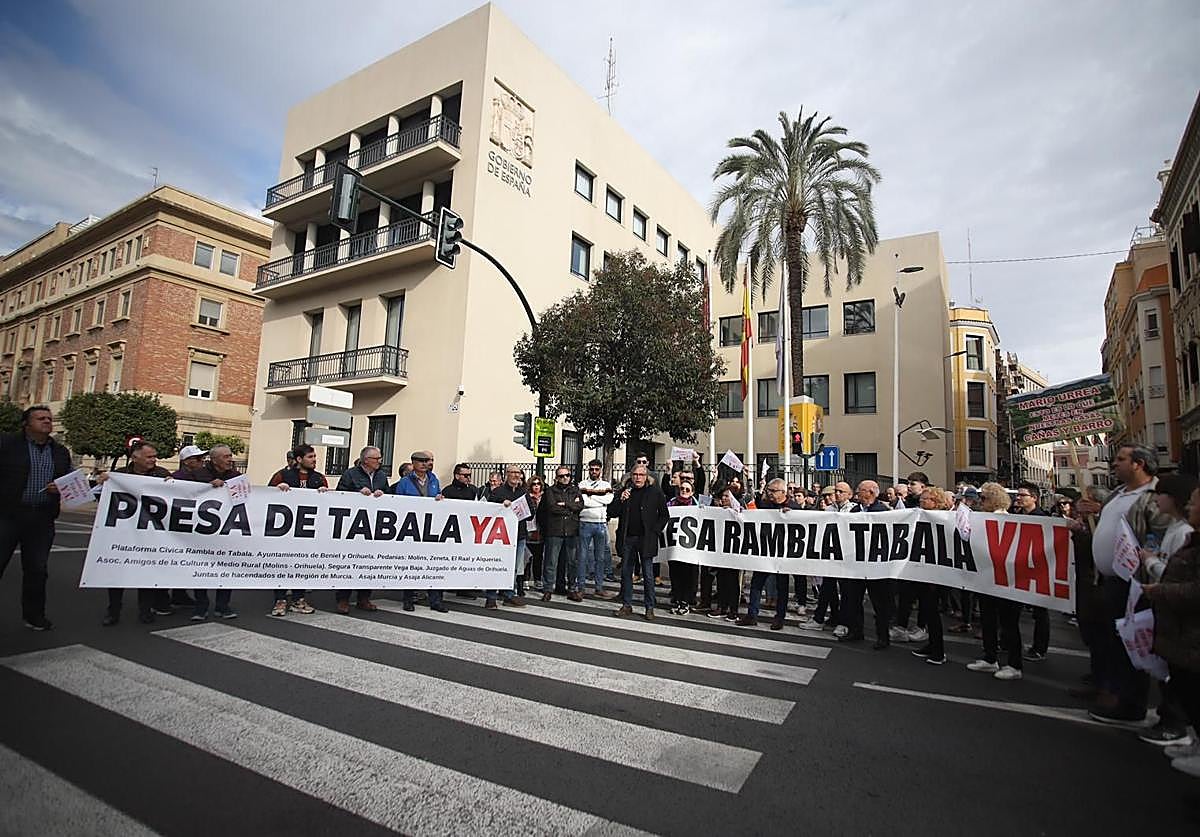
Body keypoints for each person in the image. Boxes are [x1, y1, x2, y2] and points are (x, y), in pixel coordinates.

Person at [1075, 444, 1170, 724]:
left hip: (1135, 581)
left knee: (1129, 641)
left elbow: (1160, 535)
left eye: (1120, 459)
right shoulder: (1118, 493)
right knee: (1108, 639)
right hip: (1109, 578)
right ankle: (1109, 689)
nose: (1113, 464)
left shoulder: (1155, 495)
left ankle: (1130, 703)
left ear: (1139, 464)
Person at [1141, 484, 1200, 776]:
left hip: (1187, 630)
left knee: (1187, 687)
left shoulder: (1182, 534)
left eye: (1194, 502)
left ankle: (1178, 728)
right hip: (1178, 629)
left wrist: (1151, 566)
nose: (1191, 507)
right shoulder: (1182, 533)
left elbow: (1180, 580)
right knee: (1179, 682)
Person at [0, 406, 73, 631]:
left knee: (37, 569)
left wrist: (60, 487)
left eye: (49, 419)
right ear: (26, 423)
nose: (47, 422)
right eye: (41, 418)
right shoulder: (7, 445)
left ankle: (34, 615)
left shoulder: (59, 451)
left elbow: (70, 481)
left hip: (42, 518)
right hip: (8, 515)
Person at [96, 441, 174, 625]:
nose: (153, 460)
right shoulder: (120, 476)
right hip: (123, 533)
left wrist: (173, 484)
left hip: (149, 534)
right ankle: (113, 610)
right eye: (149, 456)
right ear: (135, 457)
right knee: (117, 574)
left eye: (155, 456)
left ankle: (145, 610)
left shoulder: (162, 474)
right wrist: (102, 483)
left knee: (145, 572)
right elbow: (98, 498)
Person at [170, 444, 239, 621]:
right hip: (201, 530)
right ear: (214, 460)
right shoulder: (198, 474)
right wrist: (207, 486)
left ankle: (223, 606)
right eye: (226, 457)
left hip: (227, 531)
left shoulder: (236, 476)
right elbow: (181, 487)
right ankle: (201, 606)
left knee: (225, 570)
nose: (230, 459)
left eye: (230, 456)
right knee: (201, 569)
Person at [966, 482, 1025, 680]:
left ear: (994, 500)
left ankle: (1014, 664)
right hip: (986, 579)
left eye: (983, 498)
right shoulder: (982, 519)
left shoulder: (1007, 521)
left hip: (1006, 582)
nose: (979, 502)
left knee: (1009, 624)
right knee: (988, 620)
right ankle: (990, 658)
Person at [268, 445, 329, 617]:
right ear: (299, 460)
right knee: (282, 564)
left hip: (307, 530)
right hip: (285, 530)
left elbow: (328, 503)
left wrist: (325, 494)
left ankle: (298, 598)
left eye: (315, 456)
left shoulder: (319, 478)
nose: (314, 460)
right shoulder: (283, 475)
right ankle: (279, 600)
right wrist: (277, 489)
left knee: (302, 563)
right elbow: (266, 497)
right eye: (310, 457)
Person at [332, 446, 390, 614]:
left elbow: (388, 493)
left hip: (373, 526)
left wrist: (382, 493)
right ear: (366, 460)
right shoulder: (350, 474)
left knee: (369, 563)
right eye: (376, 458)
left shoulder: (380, 476)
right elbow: (340, 493)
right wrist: (357, 492)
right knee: (350, 562)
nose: (380, 461)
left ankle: (364, 598)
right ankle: (343, 599)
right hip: (353, 525)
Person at [837, 480, 894, 649]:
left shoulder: (883, 512)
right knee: (854, 600)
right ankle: (856, 630)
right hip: (857, 565)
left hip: (876, 566)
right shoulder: (855, 510)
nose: (857, 492)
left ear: (870, 492)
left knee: (879, 603)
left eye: (860, 490)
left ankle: (882, 637)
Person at [737, 479, 799, 630]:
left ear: (783, 492)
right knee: (756, 584)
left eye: (773, 491)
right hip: (764, 552)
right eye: (768, 490)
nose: (769, 493)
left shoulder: (793, 507)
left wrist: (792, 516)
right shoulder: (765, 505)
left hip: (782, 554)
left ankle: (779, 617)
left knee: (782, 587)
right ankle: (752, 614)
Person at [611, 463, 671, 620]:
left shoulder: (655, 492)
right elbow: (611, 511)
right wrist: (620, 500)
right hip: (628, 538)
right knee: (626, 572)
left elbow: (664, 515)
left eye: (641, 475)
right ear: (631, 476)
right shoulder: (625, 491)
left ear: (647, 477)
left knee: (648, 574)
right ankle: (626, 604)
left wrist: (655, 531)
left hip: (646, 539)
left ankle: (649, 607)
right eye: (635, 475)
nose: (638, 478)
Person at [909, 486, 949, 665]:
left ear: (935, 502)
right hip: (923, 571)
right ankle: (931, 644)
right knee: (926, 610)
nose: (921, 501)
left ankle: (938, 652)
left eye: (925, 499)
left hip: (936, 573)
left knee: (933, 612)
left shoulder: (943, 519)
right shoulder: (920, 515)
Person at [538, 467, 584, 601]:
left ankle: (571, 588)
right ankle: (547, 589)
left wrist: (565, 504)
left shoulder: (575, 490)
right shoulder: (550, 491)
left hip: (572, 531)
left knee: (572, 562)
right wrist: (570, 508)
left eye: (567, 475)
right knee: (551, 561)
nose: (565, 478)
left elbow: (580, 505)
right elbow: (552, 507)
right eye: (561, 476)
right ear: (557, 477)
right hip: (555, 530)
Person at [487, 465, 529, 606]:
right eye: (513, 473)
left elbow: (530, 515)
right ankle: (491, 597)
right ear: (506, 474)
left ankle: (508, 594)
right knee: (497, 565)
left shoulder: (524, 493)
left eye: (518, 473)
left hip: (519, 535)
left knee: (514, 568)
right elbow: (488, 510)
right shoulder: (498, 491)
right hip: (501, 536)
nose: (516, 475)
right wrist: (500, 504)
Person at [578, 459, 616, 600]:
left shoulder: (606, 484)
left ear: (600, 470)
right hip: (585, 522)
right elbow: (583, 502)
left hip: (600, 524)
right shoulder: (582, 484)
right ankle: (581, 587)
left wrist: (592, 495)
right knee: (582, 556)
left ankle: (598, 587)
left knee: (600, 557)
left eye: (596, 469)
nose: (594, 471)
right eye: (592, 469)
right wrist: (599, 498)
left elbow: (609, 500)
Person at [666, 476, 699, 614]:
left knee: (688, 575)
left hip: (690, 548)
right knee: (675, 574)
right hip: (674, 547)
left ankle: (686, 601)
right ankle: (678, 599)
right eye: (682, 489)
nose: (684, 491)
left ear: (692, 492)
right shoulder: (671, 504)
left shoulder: (697, 505)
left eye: (687, 489)